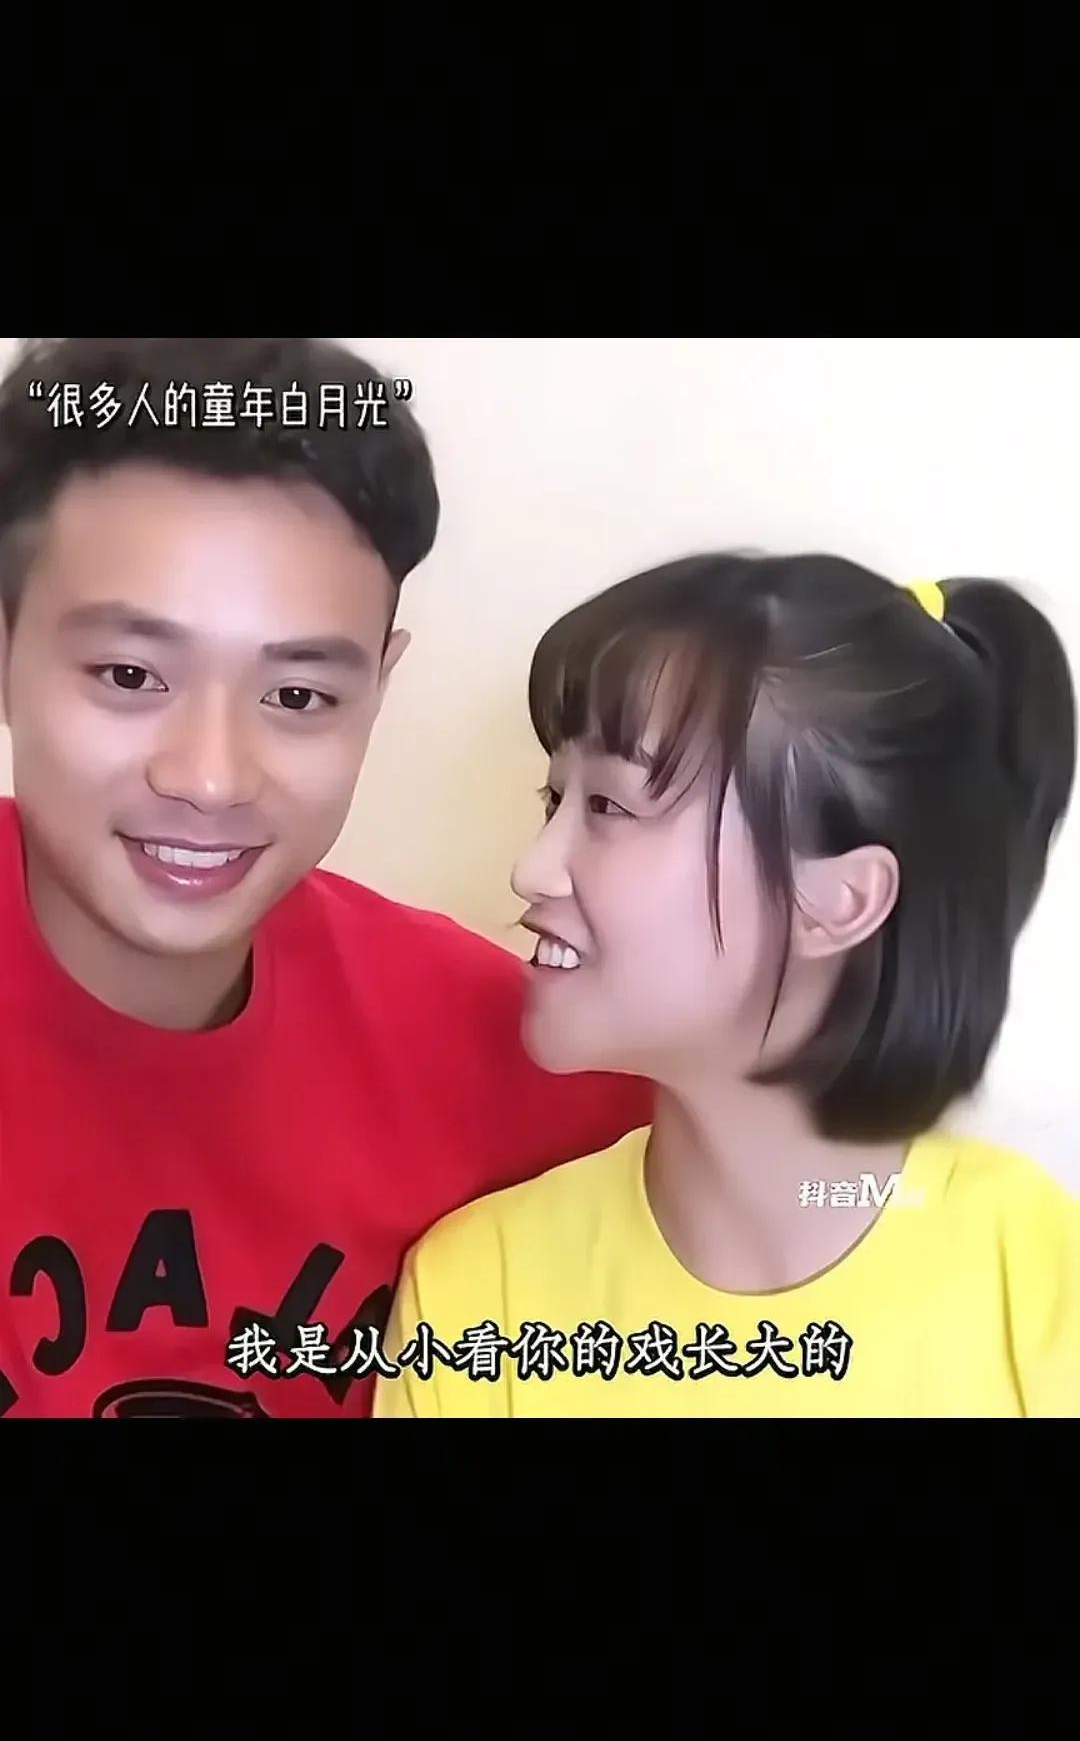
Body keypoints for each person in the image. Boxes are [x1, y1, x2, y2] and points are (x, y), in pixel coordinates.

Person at [0, 338, 650, 1418]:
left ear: (379, 686)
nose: (210, 778)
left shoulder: (516, 1058)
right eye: (130, 674)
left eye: (297, 697)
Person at [377, 552, 1080, 1418]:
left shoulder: (1042, 1280)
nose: (532, 870)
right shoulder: (480, 1297)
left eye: (609, 807)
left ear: (838, 901)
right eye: (554, 801)